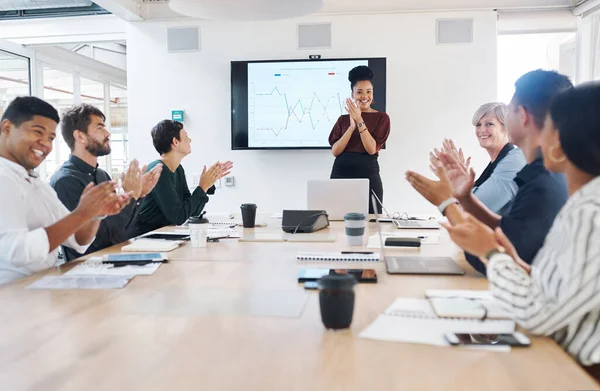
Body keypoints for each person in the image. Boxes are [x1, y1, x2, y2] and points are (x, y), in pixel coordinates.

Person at [441, 81, 600, 377]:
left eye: (550, 128)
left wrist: (491, 251)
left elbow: (538, 312)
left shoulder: (590, 215)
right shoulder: (580, 204)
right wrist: (510, 259)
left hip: (574, 370)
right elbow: (551, 286)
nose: (541, 140)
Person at [406, 70, 572, 275]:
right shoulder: (544, 171)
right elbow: (507, 227)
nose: (481, 130)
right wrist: (464, 196)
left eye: (509, 111)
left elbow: (505, 262)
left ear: (523, 116)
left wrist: (446, 202)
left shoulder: (541, 181)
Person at [0, 97, 131, 285]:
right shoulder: (4, 177)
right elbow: (18, 252)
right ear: (6, 128)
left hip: (43, 286)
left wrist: (95, 215)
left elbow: (78, 240)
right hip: (13, 295)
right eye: (38, 132)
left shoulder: (37, 184)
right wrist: (82, 213)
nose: (45, 144)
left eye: (51, 138)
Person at [49, 104, 162, 261]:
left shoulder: (102, 175)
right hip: (87, 271)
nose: (108, 133)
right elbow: (98, 240)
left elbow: (123, 229)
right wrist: (133, 196)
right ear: (80, 136)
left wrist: (139, 194)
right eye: (99, 128)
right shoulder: (65, 181)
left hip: (114, 261)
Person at [129, 120, 233, 237]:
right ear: (175, 142)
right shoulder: (159, 170)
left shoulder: (178, 169)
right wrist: (202, 187)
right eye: (186, 136)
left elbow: (190, 211)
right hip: (144, 238)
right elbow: (178, 216)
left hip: (162, 235)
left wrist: (206, 186)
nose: (190, 140)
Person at [430, 102, 526, 215]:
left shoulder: (510, 164)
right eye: (478, 125)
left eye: (489, 124)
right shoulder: (496, 164)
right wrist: (460, 178)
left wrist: (458, 180)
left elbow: (471, 212)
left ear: (506, 128)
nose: (482, 130)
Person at [328, 65, 391, 213]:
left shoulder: (382, 118)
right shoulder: (342, 120)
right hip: (341, 173)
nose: (365, 96)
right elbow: (335, 151)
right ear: (352, 94)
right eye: (359, 92)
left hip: (368, 175)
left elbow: (371, 149)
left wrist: (359, 120)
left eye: (369, 92)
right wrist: (351, 127)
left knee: (371, 223)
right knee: (337, 220)